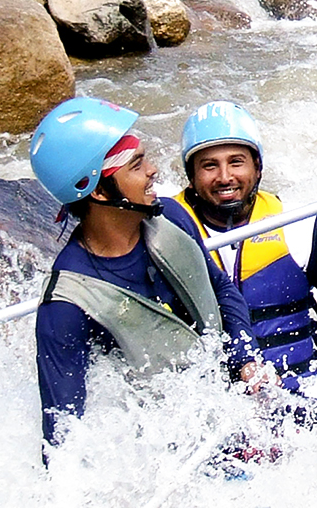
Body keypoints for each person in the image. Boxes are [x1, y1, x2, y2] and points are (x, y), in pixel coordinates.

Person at [29, 97, 262, 451]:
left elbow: (220, 289)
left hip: (227, 409)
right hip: (162, 449)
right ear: (101, 192)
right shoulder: (64, 308)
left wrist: (245, 359)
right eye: (136, 165)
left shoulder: (170, 216)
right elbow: (64, 437)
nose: (153, 170)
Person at [161, 100, 317, 396]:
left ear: (257, 167)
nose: (224, 177)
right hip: (213, 414)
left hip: (299, 401)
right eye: (209, 165)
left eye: (236, 162)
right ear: (191, 176)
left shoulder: (298, 225)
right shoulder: (162, 235)